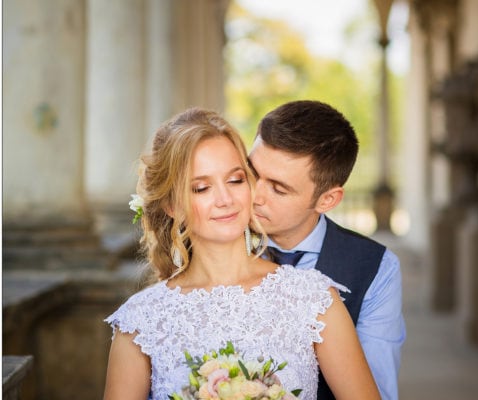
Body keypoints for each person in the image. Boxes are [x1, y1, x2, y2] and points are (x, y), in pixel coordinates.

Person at [103, 107, 380, 400]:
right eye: (201, 188)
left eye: (235, 180)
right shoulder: (140, 321)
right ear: (172, 206)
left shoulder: (315, 300)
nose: (225, 199)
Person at [249, 100, 406, 400]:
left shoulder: (376, 268)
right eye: (253, 173)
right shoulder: (214, 240)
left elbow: (378, 391)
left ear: (327, 200)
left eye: (279, 189)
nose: (255, 196)